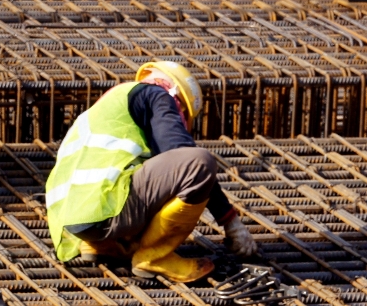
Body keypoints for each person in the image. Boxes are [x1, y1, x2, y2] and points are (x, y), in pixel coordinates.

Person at [45, 61, 257, 283]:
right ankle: (155, 255)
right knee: (199, 163)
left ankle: (102, 245)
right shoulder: (158, 95)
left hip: (74, 222)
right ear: (180, 102)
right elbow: (179, 151)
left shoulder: (101, 111)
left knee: (150, 172)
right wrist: (229, 220)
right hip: (106, 208)